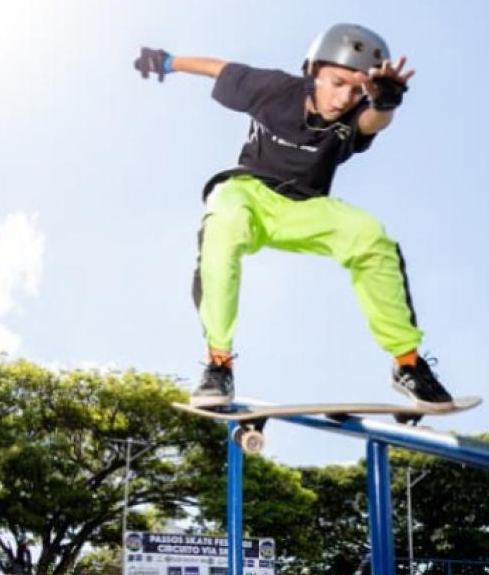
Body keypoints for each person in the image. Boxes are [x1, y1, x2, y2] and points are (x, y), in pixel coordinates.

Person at [134, 24, 454, 409]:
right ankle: (218, 364)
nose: (343, 98)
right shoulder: (271, 88)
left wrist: (385, 103)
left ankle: (407, 364)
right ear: (312, 71)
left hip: (307, 208)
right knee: (224, 218)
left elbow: (373, 123)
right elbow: (218, 68)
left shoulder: (355, 114)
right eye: (336, 83)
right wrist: (168, 62)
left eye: (356, 91)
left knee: (368, 234)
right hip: (250, 193)